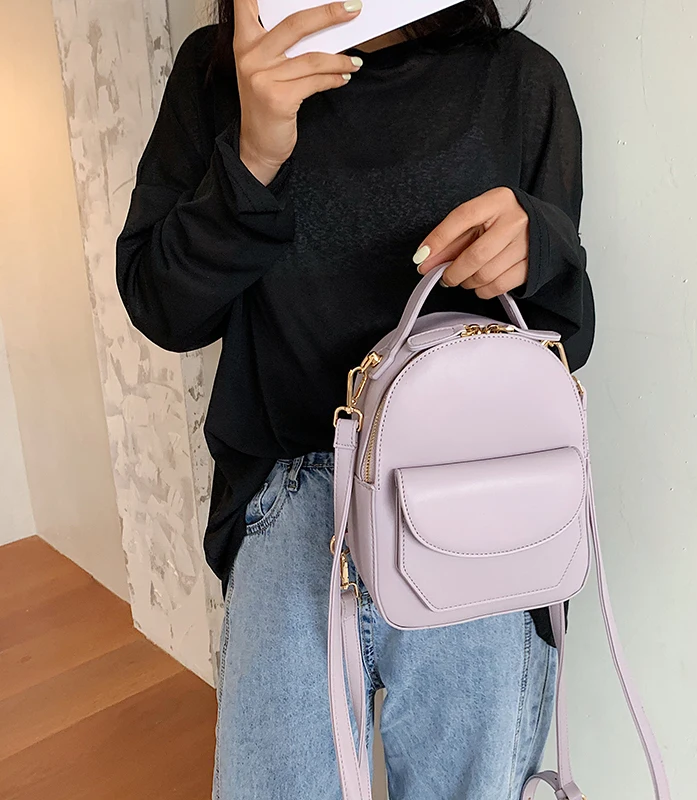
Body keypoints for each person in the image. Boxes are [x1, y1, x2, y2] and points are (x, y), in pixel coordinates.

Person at [116, 0, 594, 797]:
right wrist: (253, 158)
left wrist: (535, 247)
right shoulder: (219, 72)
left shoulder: (520, 80)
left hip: (474, 495)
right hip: (294, 498)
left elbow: (561, 341)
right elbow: (162, 308)